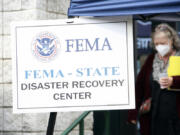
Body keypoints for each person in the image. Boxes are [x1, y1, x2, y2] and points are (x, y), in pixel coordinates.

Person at [128, 23, 180, 135]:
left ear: (172, 41)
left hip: (176, 117)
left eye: (163, 43)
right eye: (156, 44)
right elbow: (139, 86)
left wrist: (174, 81)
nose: (159, 46)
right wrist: (133, 112)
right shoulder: (151, 59)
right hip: (154, 116)